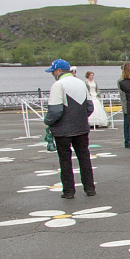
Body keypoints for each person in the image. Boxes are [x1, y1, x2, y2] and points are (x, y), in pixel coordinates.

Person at [43, 59, 95, 199]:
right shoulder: (81, 83)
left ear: (59, 71)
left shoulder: (58, 85)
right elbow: (90, 107)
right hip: (82, 128)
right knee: (84, 158)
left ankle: (69, 191)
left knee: (65, 160)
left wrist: (47, 122)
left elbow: (55, 111)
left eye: (53, 71)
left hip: (63, 130)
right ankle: (90, 188)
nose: (53, 74)